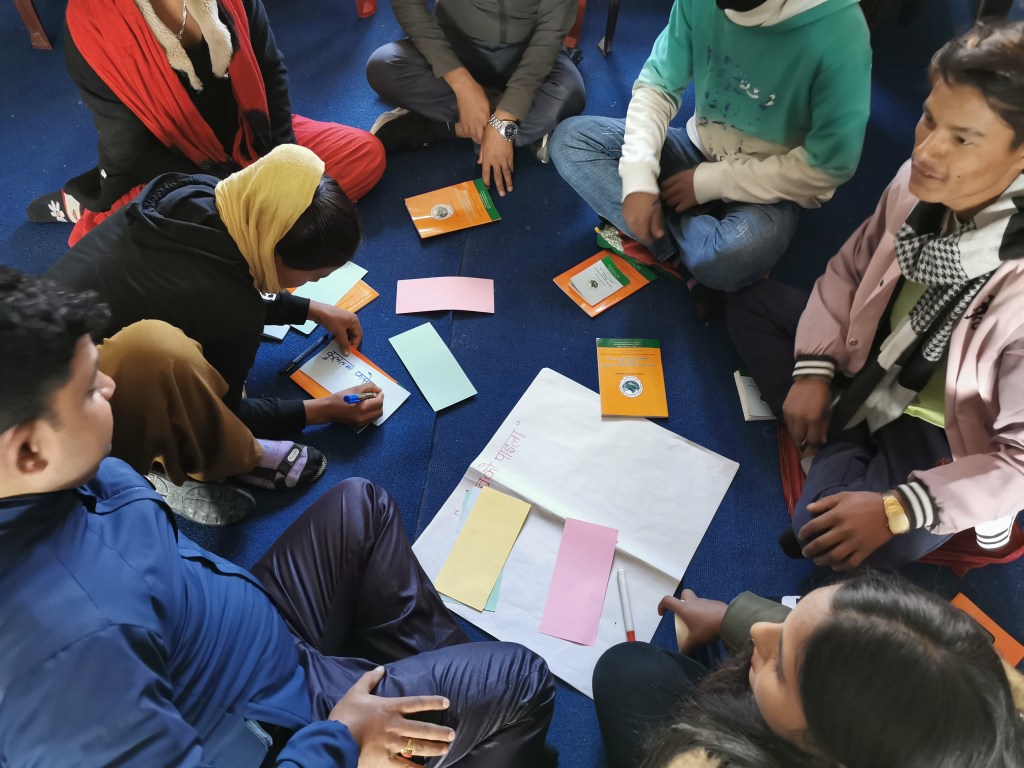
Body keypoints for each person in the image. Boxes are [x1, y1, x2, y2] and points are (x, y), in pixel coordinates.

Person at [0, 266, 556, 766]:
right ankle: (445, 723)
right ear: (29, 450)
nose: (110, 385)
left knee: (360, 504)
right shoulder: (64, 657)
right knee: (521, 680)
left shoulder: (46, 476)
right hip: (284, 728)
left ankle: (441, 722)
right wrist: (343, 738)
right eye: (89, 389)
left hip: (256, 645)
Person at [726, 20, 1024, 570]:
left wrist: (899, 509)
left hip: (944, 421)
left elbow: (1018, 459)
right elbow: (849, 269)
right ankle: (840, 436)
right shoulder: (915, 183)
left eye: (962, 139)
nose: (927, 151)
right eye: (929, 118)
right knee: (749, 307)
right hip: (869, 356)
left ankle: (845, 452)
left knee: (829, 536)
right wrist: (813, 371)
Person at [45, 145, 384, 523]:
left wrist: (308, 309)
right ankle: (170, 462)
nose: (311, 284)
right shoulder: (235, 312)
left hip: (31, 346)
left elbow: (208, 279)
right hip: (61, 424)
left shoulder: (198, 190)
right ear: (275, 253)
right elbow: (224, 412)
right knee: (203, 394)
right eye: (313, 277)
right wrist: (322, 410)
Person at [548, 0, 871, 312]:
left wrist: (707, 183)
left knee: (728, 259)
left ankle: (668, 241)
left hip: (771, 186)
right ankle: (683, 256)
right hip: (696, 147)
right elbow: (658, 85)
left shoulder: (839, 32)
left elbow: (829, 167)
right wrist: (638, 175)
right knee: (570, 141)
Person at [27, 0, 385, 246]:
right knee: (110, 253)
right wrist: (231, 196)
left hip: (249, 140)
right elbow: (132, 151)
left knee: (365, 156)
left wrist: (283, 165)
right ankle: (87, 203)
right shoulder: (91, 26)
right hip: (170, 168)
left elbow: (270, 70)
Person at [593, 574, 1024, 768]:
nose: (759, 632)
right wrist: (729, 617)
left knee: (626, 671)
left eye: (782, 670)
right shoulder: (976, 686)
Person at [364, 0, 585, 196]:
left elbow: (548, 37)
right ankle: (519, 131)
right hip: (453, 48)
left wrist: (505, 118)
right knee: (383, 66)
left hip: (525, 53)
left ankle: (431, 126)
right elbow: (407, 4)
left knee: (571, 94)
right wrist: (462, 84)